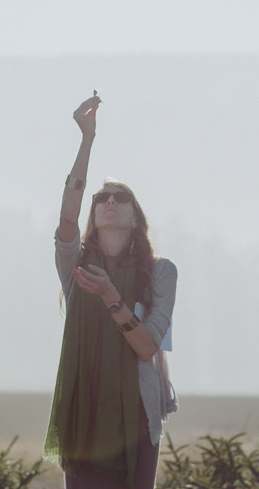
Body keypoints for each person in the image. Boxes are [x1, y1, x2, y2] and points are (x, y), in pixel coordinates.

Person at [45, 93, 178, 489]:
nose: (110, 203)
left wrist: (111, 298)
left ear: (136, 218)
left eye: (121, 199)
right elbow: (67, 214)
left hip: (136, 413)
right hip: (83, 412)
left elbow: (148, 346)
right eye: (103, 199)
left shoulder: (160, 273)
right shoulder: (77, 267)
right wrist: (86, 141)